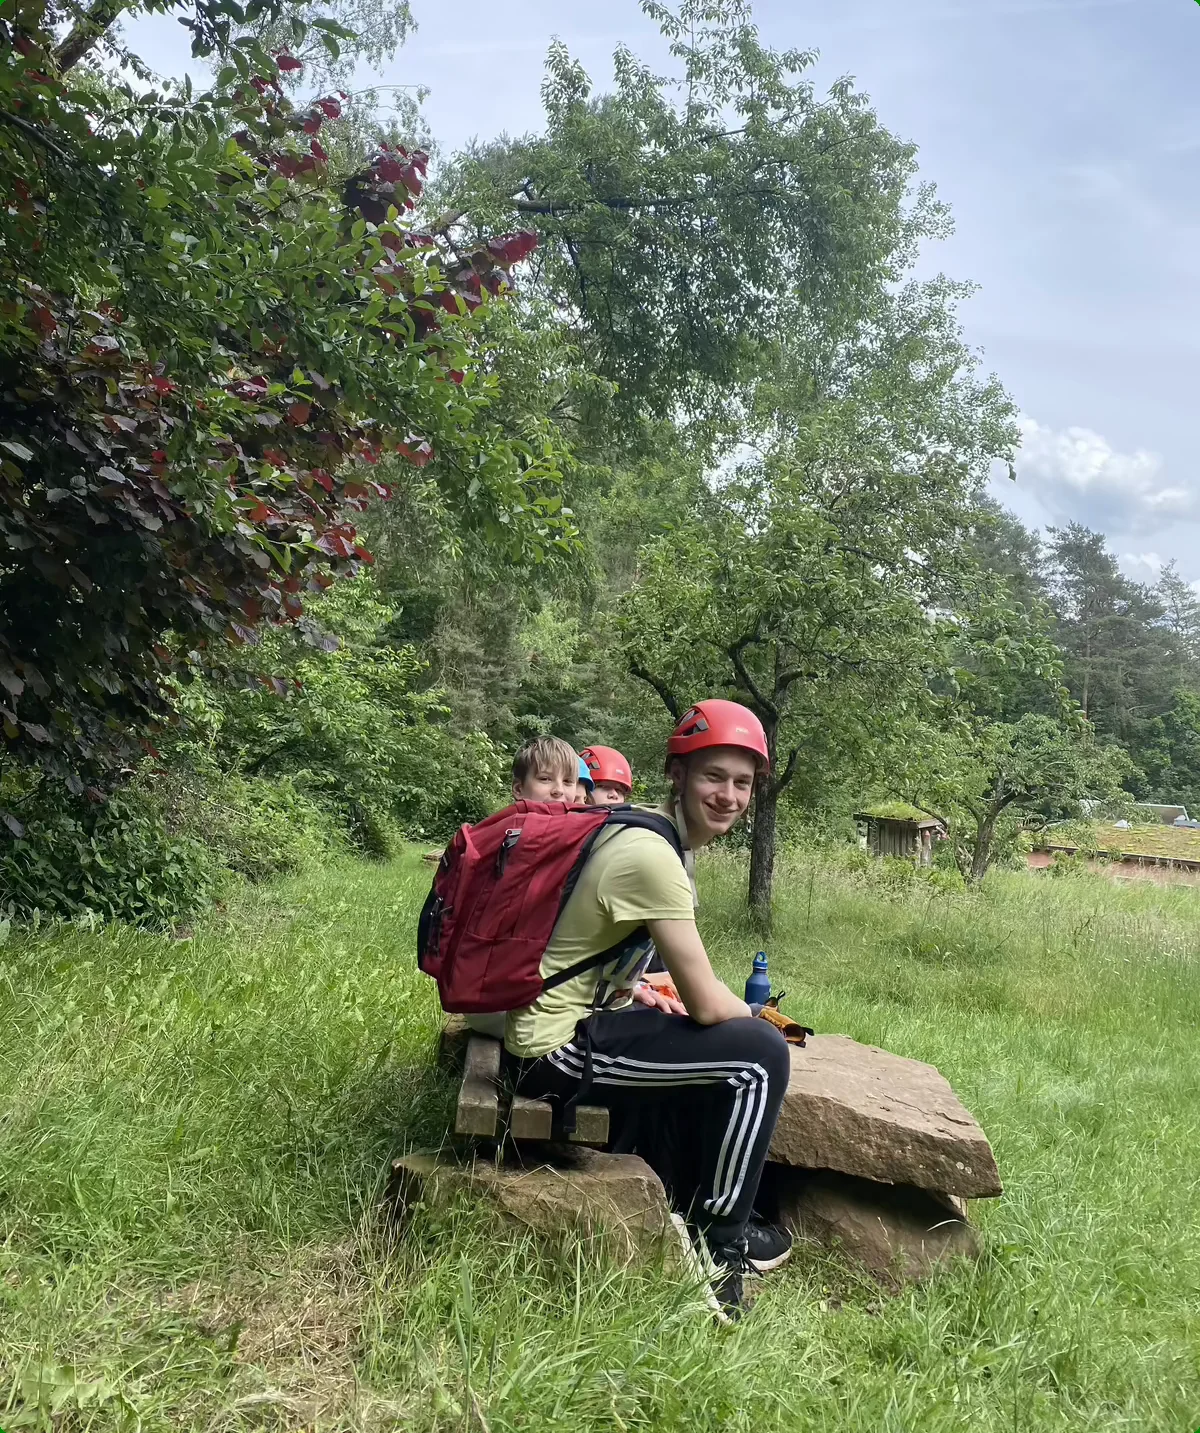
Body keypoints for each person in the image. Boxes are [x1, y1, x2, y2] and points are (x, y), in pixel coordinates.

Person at [504, 699, 793, 1320]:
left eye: (743, 783)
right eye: (714, 776)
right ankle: (721, 1245)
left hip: (560, 1019)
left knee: (695, 1033)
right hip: (551, 1051)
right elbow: (708, 1002)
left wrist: (645, 990)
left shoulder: (645, 832)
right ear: (677, 774)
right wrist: (756, 1018)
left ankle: (686, 1199)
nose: (729, 796)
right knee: (761, 1056)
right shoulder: (654, 856)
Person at [467, 736, 585, 1039]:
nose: (559, 790)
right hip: (509, 1008)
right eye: (545, 779)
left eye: (568, 781)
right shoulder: (529, 843)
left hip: (480, 1001)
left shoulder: (500, 830)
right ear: (518, 789)